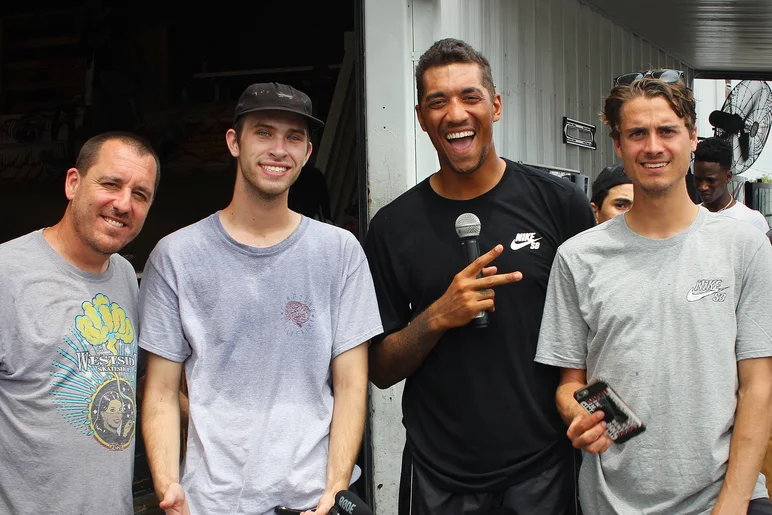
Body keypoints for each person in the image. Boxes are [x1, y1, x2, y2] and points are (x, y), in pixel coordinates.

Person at [364, 38, 596, 515]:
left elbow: (594, 332)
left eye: (470, 97)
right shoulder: (392, 227)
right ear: (420, 116)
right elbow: (380, 370)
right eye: (437, 102)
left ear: (496, 105)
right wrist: (437, 317)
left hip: (544, 468)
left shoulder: (558, 204)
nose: (455, 113)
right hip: (437, 474)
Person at [139, 82, 382, 515]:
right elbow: (159, 392)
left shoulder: (339, 252)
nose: (279, 149)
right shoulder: (176, 255)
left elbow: (350, 384)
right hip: (209, 502)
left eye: (294, 137)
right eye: (264, 132)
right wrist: (168, 486)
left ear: (308, 153)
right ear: (234, 141)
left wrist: (336, 489)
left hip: (311, 503)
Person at [535, 74, 772, 514]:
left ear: (692, 137)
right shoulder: (578, 257)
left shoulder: (744, 247)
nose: (653, 146)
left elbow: (758, 388)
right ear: (618, 145)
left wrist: (734, 503)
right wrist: (578, 416)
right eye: (637, 133)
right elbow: (569, 384)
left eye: (667, 131)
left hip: (722, 499)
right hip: (609, 502)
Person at [0, 131, 160, 514]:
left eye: (140, 194)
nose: (124, 204)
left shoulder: (124, 275)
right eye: (111, 184)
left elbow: (135, 382)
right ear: (73, 183)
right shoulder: (8, 273)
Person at [693, 137, 770, 232]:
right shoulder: (689, 218)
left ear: (728, 177)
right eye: (697, 179)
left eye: (710, 180)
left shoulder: (752, 221)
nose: (702, 187)